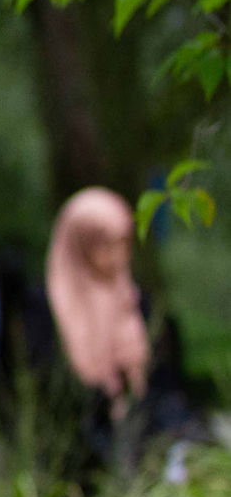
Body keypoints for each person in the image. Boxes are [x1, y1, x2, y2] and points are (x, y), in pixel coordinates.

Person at [45, 187, 151, 479]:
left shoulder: (129, 296)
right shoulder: (48, 305)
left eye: (123, 245)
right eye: (105, 246)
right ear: (80, 244)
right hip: (76, 461)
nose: (117, 257)